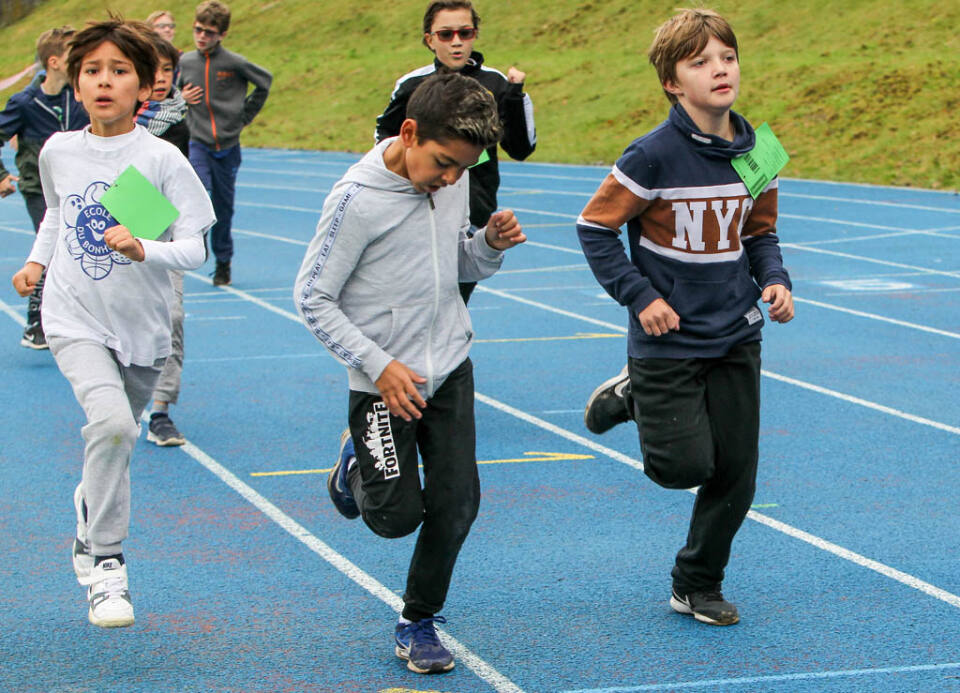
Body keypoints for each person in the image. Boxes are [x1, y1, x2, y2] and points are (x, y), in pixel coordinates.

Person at [294, 73, 525, 674]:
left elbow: (458, 263)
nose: (451, 179)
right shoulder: (355, 201)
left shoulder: (456, 176)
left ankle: (418, 621)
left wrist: (489, 244)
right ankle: (353, 467)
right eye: (443, 163)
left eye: (462, 169)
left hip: (449, 367)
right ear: (409, 132)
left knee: (457, 504)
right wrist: (378, 365)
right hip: (382, 383)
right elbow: (312, 298)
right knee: (394, 519)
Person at [578, 8, 794, 627]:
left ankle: (697, 583)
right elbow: (594, 227)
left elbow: (760, 233)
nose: (719, 70)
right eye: (700, 62)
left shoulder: (760, 151)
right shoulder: (651, 156)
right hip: (668, 336)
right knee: (683, 469)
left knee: (736, 473)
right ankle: (634, 394)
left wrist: (775, 280)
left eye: (727, 57)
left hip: (736, 333)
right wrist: (640, 296)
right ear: (673, 83)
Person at [11, 18, 215, 627]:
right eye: (92, 71)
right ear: (75, 84)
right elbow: (56, 214)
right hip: (72, 315)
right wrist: (36, 262)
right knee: (114, 427)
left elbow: (195, 249)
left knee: (115, 440)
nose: (104, 82)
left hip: (142, 330)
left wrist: (143, 248)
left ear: (144, 88)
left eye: (119, 71)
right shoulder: (58, 150)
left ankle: (88, 512)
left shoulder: (160, 159)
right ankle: (107, 564)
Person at [375, 0, 536, 303]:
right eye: (446, 34)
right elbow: (384, 141)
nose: (457, 42)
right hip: (416, 206)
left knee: (452, 303)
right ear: (430, 40)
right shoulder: (412, 85)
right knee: (416, 302)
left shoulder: (496, 84)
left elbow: (520, 149)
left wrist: (515, 96)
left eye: (465, 33)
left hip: (472, 211)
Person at [0, 26, 89, 349]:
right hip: (39, 189)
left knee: (79, 250)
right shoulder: (25, 102)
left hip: (79, 188)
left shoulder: (80, 96)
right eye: (73, 54)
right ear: (54, 62)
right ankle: (35, 323)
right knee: (51, 246)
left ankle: (74, 319)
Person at [178, 0, 272, 286]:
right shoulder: (185, 62)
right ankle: (197, 245)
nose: (201, 36)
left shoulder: (234, 63)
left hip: (228, 146)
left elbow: (265, 82)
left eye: (208, 32)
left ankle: (223, 262)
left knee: (223, 207)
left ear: (222, 35)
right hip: (198, 142)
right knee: (199, 191)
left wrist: (244, 116)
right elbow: (170, 93)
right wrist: (181, 98)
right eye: (197, 30)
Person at [136, 30, 193, 446]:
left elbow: (174, 186)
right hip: (111, 231)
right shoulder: (109, 122)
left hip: (161, 231)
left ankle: (160, 411)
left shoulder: (178, 123)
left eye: (168, 70)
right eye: (153, 69)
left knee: (172, 317)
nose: (160, 78)